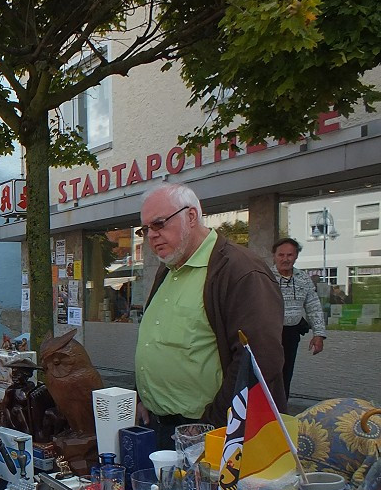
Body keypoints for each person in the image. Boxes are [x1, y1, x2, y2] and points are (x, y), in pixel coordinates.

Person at [135, 184, 285, 449]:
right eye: (145, 229)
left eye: (159, 224)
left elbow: (259, 361)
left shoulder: (240, 270)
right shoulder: (169, 268)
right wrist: (143, 396)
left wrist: (214, 426)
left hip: (214, 434)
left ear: (191, 216)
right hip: (162, 425)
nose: (152, 236)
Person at [271, 237, 326, 394]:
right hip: (268, 335)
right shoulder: (265, 277)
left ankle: (282, 413)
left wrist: (319, 334)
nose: (285, 259)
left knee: (286, 374)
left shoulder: (303, 279)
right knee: (267, 374)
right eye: (281, 255)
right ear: (274, 256)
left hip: (291, 333)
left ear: (296, 256)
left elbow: (313, 306)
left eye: (290, 255)